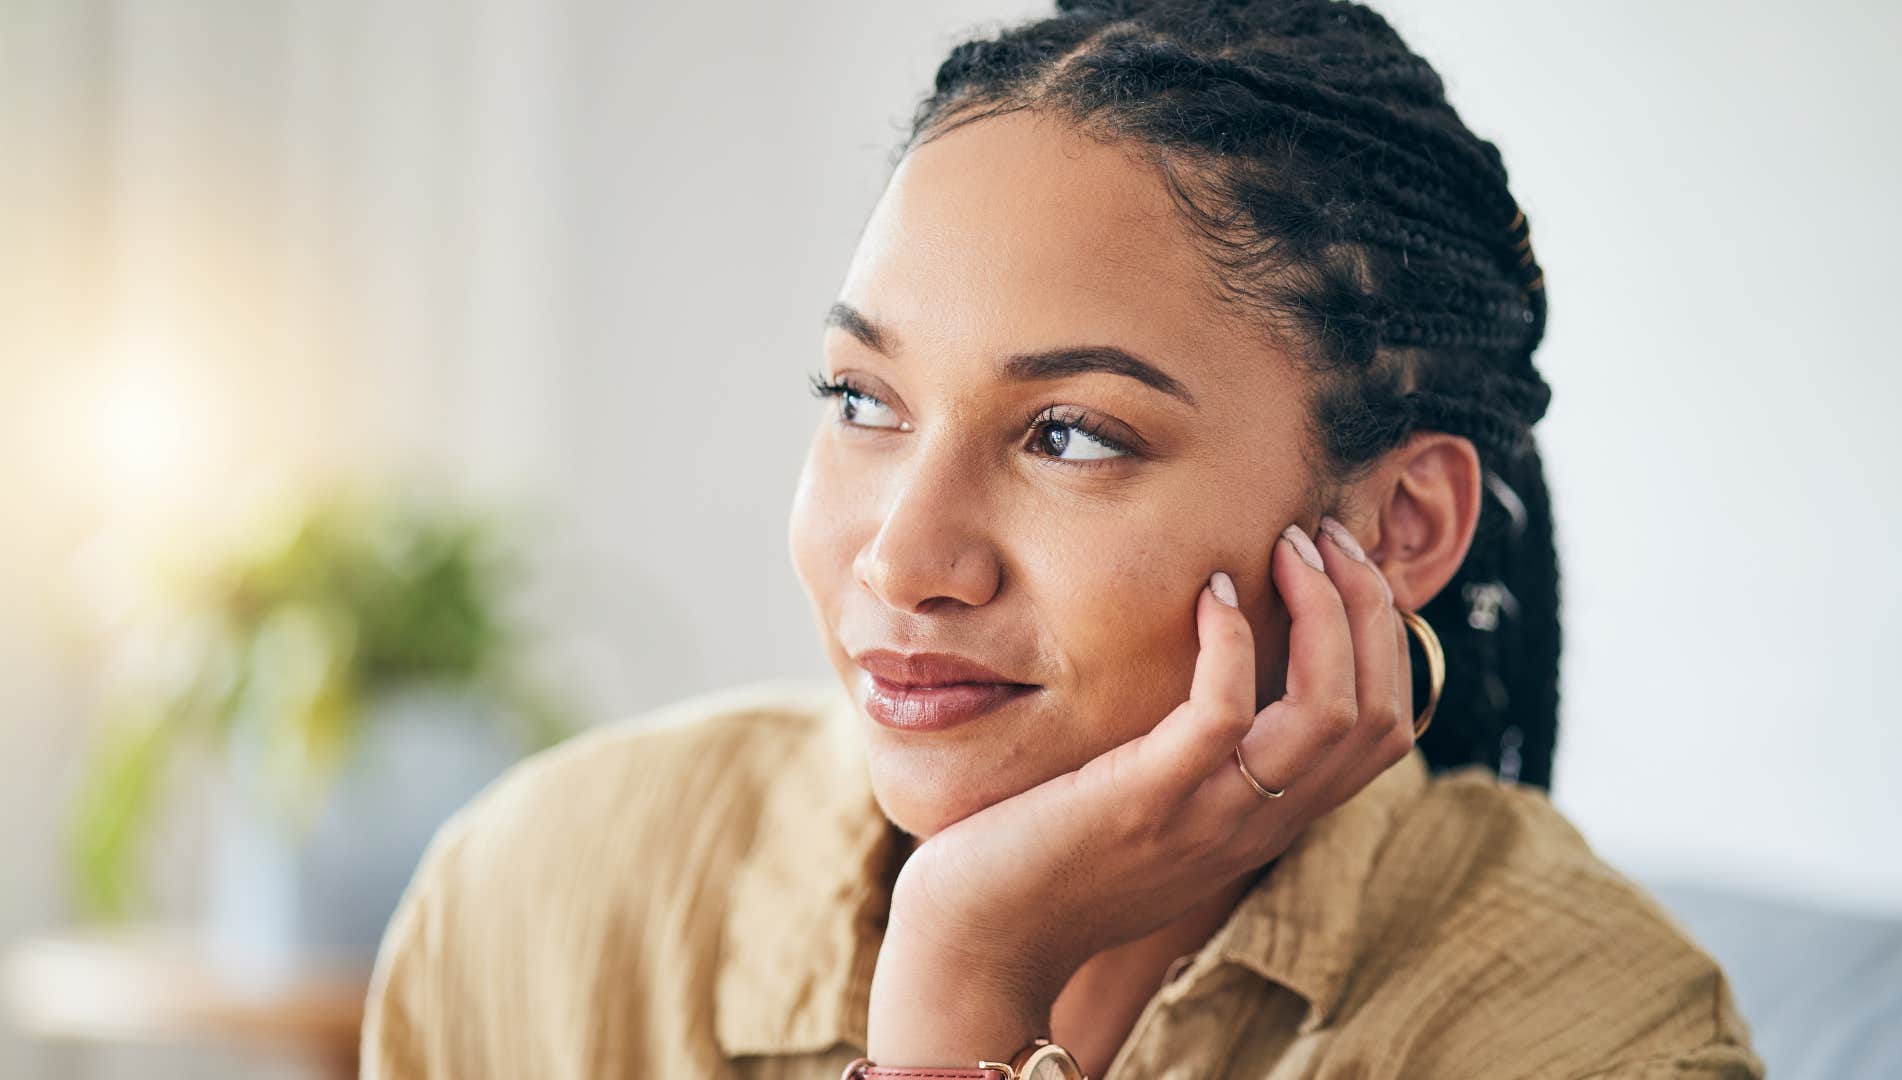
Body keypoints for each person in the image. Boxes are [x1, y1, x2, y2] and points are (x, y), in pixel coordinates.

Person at [360, 1, 1764, 1077]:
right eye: (863, 400)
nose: (905, 560)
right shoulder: (545, 890)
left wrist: (964, 983)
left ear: (1400, 527)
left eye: (1071, 435)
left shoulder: (1597, 1033)